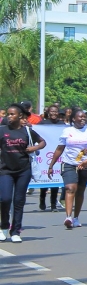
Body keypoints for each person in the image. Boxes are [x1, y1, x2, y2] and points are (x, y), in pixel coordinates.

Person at [0, 104, 45, 243]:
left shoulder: (27, 131)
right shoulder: (2, 131)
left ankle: (16, 231)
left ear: (20, 116)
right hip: (5, 170)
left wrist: (34, 147)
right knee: (5, 199)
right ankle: (4, 227)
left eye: (12, 114)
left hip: (23, 170)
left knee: (19, 201)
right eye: (8, 114)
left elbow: (43, 142)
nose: (9, 116)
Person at [47, 108, 87, 229]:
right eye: (80, 117)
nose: (82, 119)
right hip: (69, 163)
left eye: (84, 117)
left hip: (84, 165)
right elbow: (60, 149)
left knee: (80, 192)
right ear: (73, 119)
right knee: (70, 188)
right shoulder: (67, 131)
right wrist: (51, 165)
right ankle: (68, 217)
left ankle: (76, 217)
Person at [38, 105, 65, 212]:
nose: (54, 113)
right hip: (45, 155)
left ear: (58, 113)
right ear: (48, 113)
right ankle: (42, 200)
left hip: (57, 155)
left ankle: (53, 204)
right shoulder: (42, 124)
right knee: (44, 182)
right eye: (51, 111)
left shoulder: (62, 125)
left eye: (56, 111)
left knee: (56, 181)